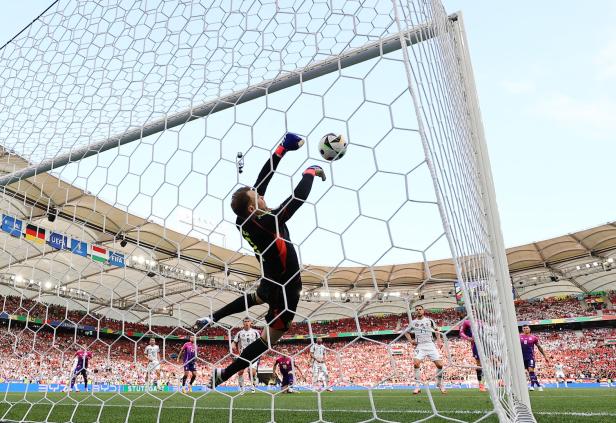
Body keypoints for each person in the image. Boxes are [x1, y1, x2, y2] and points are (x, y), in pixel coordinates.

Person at [195, 132, 326, 388]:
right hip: (286, 290)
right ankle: (224, 374)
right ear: (253, 207)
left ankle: (214, 317)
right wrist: (309, 172)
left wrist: (282, 149)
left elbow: (261, 180)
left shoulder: (244, 220)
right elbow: (296, 200)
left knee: (255, 297)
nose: (263, 197)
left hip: (270, 280)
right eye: (259, 198)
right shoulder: (267, 222)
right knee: (268, 340)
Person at [404, 305, 446, 395]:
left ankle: (439, 383)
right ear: (415, 312)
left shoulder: (429, 320)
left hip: (430, 344)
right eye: (417, 310)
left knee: (440, 365)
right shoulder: (413, 322)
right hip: (420, 346)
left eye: (420, 309)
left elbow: (437, 330)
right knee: (416, 363)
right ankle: (417, 386)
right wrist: (411, 341)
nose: (419, 311)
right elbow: (406, 332)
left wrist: (439, 340)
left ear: (423, 311)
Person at [232, 317, 261, 392]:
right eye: (245, 321)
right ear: (243, 323)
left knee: (252, 372)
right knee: (240, 371)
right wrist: (233, 346)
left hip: (253, 354)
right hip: (243, 355)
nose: (247, 323)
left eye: (248, 321)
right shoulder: (239, 333)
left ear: (251, 322)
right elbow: (234, 342)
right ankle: (242, 388)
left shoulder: (255, 332)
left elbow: (260, 342)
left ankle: (253, 384)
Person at [459, 319, 486, 392]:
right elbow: (461, 332)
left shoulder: (481, 321)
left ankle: (483, 383)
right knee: (479, 364)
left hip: (485, 344)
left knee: (486, 364)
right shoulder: (466, 321)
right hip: (476, 345)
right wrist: (468, 338)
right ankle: (481, 384)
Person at [519, 325, 548, 391]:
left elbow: (539, 347)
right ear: (522, 329)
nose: (526, 329)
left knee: (531, 370)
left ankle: (532, 386)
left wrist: (545, 356)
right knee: (529, 372)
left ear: (529, 329)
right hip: (521, 358)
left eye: (527, 328)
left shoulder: (533, 338)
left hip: (530, 357)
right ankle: (538, 385)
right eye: (524, 328)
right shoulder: (519, 337)